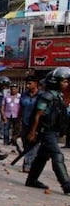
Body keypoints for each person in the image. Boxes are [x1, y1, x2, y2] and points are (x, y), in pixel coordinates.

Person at [23, 67, 70, 195]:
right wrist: (32, 132)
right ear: (55, 82)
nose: (66, 84)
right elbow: (38, 114)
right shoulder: (47, 96)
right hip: (47, 131)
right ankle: (66, 184)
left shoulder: (58, 96)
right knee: (57, 155)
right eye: (64, 81)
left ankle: (32, 180)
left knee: (42, 157)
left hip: (53, 132)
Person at [19, 74, 41, 173]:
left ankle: (28, 164)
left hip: (36, 125)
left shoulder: (41, 96)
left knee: (33, 145)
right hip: (25, 123)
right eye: (26, 83)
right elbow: (21, 108)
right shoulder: (24, 95)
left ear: (36, 84)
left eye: (29, 83)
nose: (27, 86)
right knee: (26, 144)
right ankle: (29, 162)